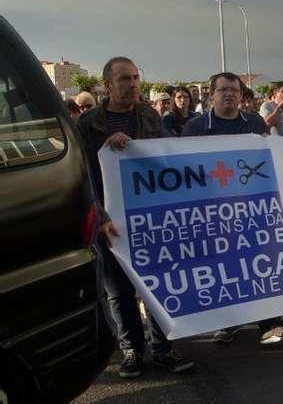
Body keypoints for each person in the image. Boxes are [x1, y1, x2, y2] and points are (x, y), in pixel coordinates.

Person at [76, 56, 194, 379]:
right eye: (125, 79)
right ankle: (131, 350)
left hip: (150, 218)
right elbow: (83, 175)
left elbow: (161, 159)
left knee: (156, 284)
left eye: (135, 79)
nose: (132, 85)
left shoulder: (149, 116)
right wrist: (99, 217)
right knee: (119, 290)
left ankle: (162, 348)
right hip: (110, 221)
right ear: (108, 85)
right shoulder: (88, 123)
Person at [181, 73, 283, 345]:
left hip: (251, 208)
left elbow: (268, 156)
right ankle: (227, 322)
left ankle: (271, 324)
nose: (229, 95)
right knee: (223, 266)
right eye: (223, 90)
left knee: (261, 263)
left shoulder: (254, 122)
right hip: (213, 211)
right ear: (210, 95)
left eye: (234, 90)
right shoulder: (195, 127)